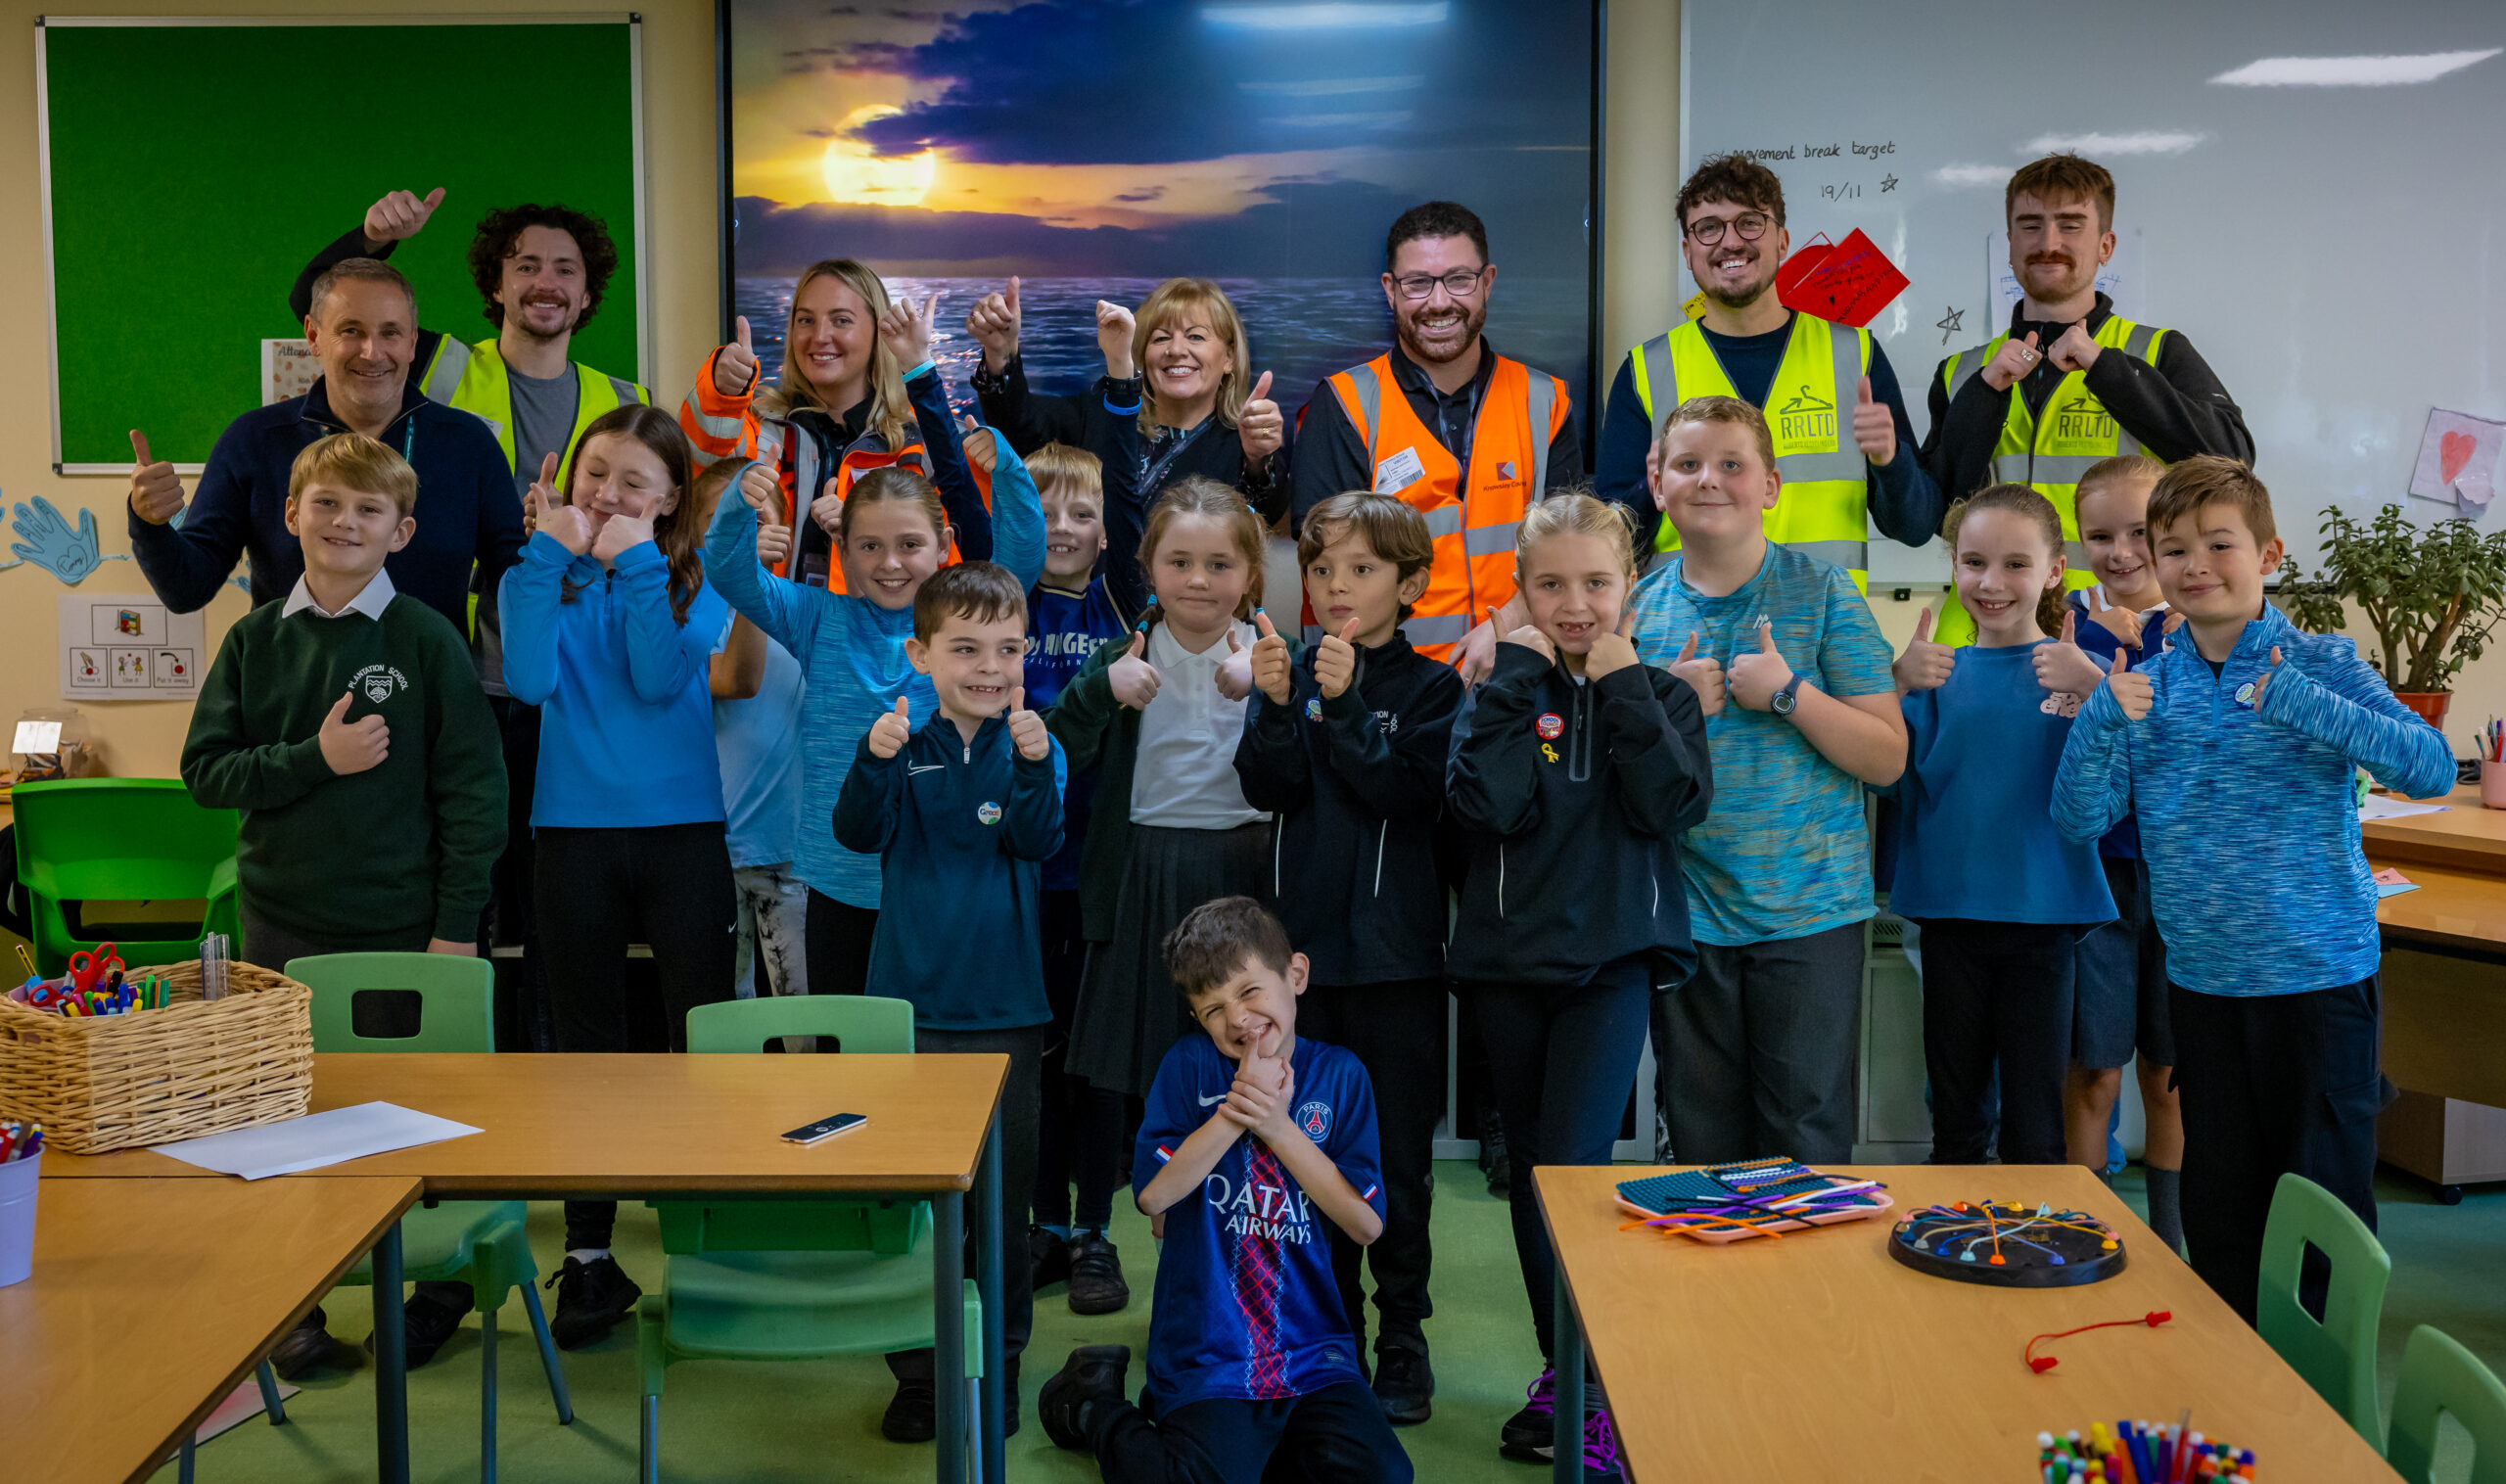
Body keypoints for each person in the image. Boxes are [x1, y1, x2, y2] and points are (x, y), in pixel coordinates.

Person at [2053, 456, 2452, 1323]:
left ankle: (2325, 1387)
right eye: (2174, 550)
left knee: (2323, 1207)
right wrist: (2099, 719)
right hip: (2205, 986)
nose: (2195, 565)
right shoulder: (2148, 686)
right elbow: (2080, 819)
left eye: (2219, 544)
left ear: (2268, 555)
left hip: (2318, 981)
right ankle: (2235, 1372)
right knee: (2223, 1207)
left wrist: (2304, 703)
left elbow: (2429, 769)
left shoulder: (2321, 662)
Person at [180, 431, 505, 1378]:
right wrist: (312, 760)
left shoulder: (425, 639)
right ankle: (298, 1301)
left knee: (418, 1114)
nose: (344, 522)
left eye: (369, 509)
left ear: (401, 531)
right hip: (280, 924)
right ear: (291, 516)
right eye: (326, 503)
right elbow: (205, 772)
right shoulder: (254, 640)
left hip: (403, 931)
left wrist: (456, 928)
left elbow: (474, 794)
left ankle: (437, 1287)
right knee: (287, 1121)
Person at [290, 190, 654, 1008]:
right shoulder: (445, 366)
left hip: (577, 677)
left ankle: (550, 1047)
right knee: (471, 876)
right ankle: (474, 1039)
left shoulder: (624, 393)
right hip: (469, 676)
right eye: (526, 265)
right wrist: (372, 238)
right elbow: (326, 303)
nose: (546, 282)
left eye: (565, 269)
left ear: (588, 292)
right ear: (496, 283)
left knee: (562, 887)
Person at [1445, 493, 1710, 1479]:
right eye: (1549, 584)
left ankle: (1595, 1386)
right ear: (1520, 590)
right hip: (1509, 969)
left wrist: (1626, 683)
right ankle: (1565, 1371)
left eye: (1595, 582)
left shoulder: (1662, 695)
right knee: (1533, 1173)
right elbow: (1487, 805)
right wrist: (1516, 680)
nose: (1574, 604)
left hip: (1611, 966)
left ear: (1628, 586)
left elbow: (1671, 803)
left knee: (1575, 1165)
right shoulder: (1500, 688)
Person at [699, 297, 1033, 1005]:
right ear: (843, 551)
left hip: (935, 882)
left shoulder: (964, 620)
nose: (890, 563)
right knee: (849, 1053)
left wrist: (1005, 466)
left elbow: (1021, 557)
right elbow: (730, 573)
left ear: (943, 548)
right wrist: (737, 503)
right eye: (870, 546)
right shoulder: (817, 616)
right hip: (836, 885)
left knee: (931, 1049)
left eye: (910, 545)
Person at [498, 404, 736, 1348]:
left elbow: (653, 678)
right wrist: (543, 556)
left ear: (671, 498)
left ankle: (711, 1229)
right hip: (572, 836)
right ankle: (590, 1254)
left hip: (683, 835)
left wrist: (634, 561)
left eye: (636, 482)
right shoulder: (537, 576)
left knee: (701, 1035)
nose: (608, 494)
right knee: (586, 1050)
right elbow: (528, 683)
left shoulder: (696, 584)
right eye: (596, 473)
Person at [1036, 896, 1412, 1484]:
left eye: (1250, 991)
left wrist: (1277, 1127)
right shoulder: (1189, 1067)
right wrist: (1237, 1112)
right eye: (1213, 1009)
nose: (1237, 1019)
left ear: (1296, 975)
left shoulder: (1341, 1075)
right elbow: (1154, 1196)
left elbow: (1365, 1224)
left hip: (1312, 1352)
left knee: (1384, 1476)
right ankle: (1092, 1405)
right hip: (1208, 1352)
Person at [1625, 397, 1905, 1168]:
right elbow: (1617, 776)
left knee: (1804, 1140)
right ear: (1657, 484)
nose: (1708, 480)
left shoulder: (1823, 593)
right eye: (1688, 465)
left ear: (1771, 487)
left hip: (1809, 915)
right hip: (1688, 917)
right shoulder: (1636, 608)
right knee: (1703, 1144)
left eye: (1731, 464)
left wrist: (1790, 695)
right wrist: (1670, 709)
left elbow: (1887, 758)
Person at [1233, 492, 1462, 1425]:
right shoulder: (1290, 672)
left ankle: (1403, 1333)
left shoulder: (1435, 689)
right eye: (1322, 568)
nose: (1336, 586)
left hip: (1398, 967)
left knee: (1396, 1163)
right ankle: (1329, 1336)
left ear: (1409, 586)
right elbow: (1268, 784)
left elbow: (1409, 795)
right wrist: (1278, 707)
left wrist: (1346, 702)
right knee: (1302, 1154)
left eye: (1362, 570)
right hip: (1304, 971)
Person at [834, 560, 1066, 1438]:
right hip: (910, 1014)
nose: (989, 667)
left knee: (1001, 1213)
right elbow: (857, 833)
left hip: (1008, 1017)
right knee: (912, 1205)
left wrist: (1036, 767)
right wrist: (872, 758)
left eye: (1007, 649)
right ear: (920, 654)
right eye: (966, 649)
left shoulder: (1035, 747)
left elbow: (1038, 842)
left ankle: (998, 1368)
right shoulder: (902, 744)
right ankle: (921, 1374)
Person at [1921, 154, 2254, 645]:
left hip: (2122, 630)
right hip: (1986, 628)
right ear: (2010, 244)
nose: (2048, 243)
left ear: (2106, 246)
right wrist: (1983, 396)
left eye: (2070, 225)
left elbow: (2233, 462)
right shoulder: (1963, 371)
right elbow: (1935, 513)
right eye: (2030, 226)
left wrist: (2107, 370)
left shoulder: (2155, 352)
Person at [1887, 485, 2115, 1170]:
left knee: (2035, 1124)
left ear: (2055, 571)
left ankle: (2035, 1230)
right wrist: (1894, 685)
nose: (1991, 583)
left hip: (2044, 921)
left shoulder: (2079, 674)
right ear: (1954, 566)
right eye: (1974, 562)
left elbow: (2136, 773)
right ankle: (1950, 1228)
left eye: (2016, 564)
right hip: (1951, 918)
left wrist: (2094, 689)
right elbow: (1882, 775)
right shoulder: (1932, 676)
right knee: (1956, 1115)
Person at [128, 257, 523, 637]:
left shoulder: (468, 443)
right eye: (351, 330)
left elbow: (517, 583)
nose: (372, 352)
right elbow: (187, 589)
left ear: (412, 343)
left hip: (428, 679)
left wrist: (550, 544)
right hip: (292, 679)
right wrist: (149, 524)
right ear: (314, 336)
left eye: (390, 333)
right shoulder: (255, 440)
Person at [1595, 156, 1941, 580]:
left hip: (1824, 620)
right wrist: (1653, 489)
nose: (1731, 242)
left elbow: (1916, 528)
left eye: (1750, 223)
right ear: (1688, 252)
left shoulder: (1856, 356)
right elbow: (1607, 548)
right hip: (1691, 623)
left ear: (1782, 241)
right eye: (1709, 228)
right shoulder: (1647, 371)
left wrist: (1891, 461)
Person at [1045, 478, 1276, 1105]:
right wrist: (1100, 690)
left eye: (1219, 564)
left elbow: (1307, 762)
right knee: (1146, 1069)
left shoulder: (1278, 658)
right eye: (1179, 562)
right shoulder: (1122, 656)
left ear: (1251, 575)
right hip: (1144, 871)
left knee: (1245, 1060)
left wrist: (1269, 687)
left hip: (1247, 871)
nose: (1198, 579)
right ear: (1149, 568)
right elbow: (1053, 753)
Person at [1292, 202, 1584, 677]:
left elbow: (1574, 547)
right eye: (1417, 283)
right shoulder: (1345, 405)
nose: (1439, 301)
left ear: (1487, 282)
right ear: (1390, 290)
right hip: (1381, 690)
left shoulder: (1544, 402)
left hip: (1521, 675)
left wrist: (1510, 621)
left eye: (1459, 279)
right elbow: (1328, 568)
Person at [1020, 441, 1150, 1318]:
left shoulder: (1125, 608)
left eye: (1081, 513)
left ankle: (1096, 1231)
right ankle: (1046, 1226)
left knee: (1097, 1060)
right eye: (1042, 513)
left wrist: (1120, 394)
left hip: (1101, 870)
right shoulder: (1000, 600)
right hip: (1020, 870)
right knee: (1036, 1053)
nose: (1062, 528)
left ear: (1108, 533)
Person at [2059, 454, 2186, 1250]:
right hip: (2093, 877)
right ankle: (2089, 1235)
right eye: (2100, 536)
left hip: (2180, 878)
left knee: (2168, 1076)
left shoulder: (2201, 621)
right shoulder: (2064, 621)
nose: (2121, 552)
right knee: (2094, 1069)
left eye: (2141, 532)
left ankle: (2171, 1241)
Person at [683, 264, 990, 592]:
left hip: (893, 624)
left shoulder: (925, 443)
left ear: (879, 332)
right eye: (806, 320)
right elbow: (704, 478)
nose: (819, 336)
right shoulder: (758, 428)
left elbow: (972, 557)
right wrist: (723, 393)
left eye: (841, 320)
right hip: (765, 622)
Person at [968, 277, 1289, 520]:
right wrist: (1001, 353)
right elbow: (1019, 424)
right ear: (1142, 355)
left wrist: (1259, 456)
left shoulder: (1246, 442)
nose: (1176, 350)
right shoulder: (1098, 413)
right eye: (1161, 338)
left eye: (1195, 336)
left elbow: (1268, 512)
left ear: (1229, 357)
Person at [699, 460, 809, 1015]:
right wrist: (743, 572)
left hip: (790, 856)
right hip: (705, 856)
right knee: (721, 1025)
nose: (744, 529)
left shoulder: (808, 612)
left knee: (803, 1026)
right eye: (725, 519)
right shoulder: (680, 616)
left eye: (757, 518)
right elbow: (733, 681)